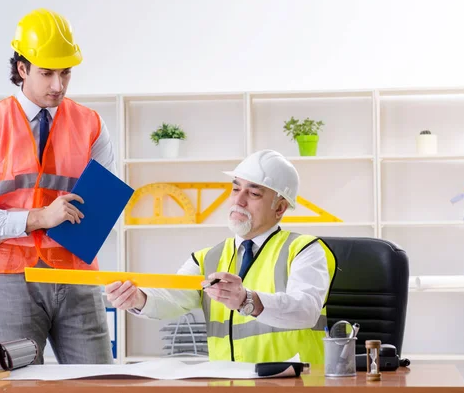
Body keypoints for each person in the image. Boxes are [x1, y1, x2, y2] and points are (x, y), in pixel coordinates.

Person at [0, 8, 115, 365]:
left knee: (99, 384)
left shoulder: (91, 125)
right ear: (22, 69)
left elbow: (104, 206)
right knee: (22, 385)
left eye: (65, 73)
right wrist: (38, 217)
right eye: (47, 73)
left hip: (77, 275)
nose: (58, 85)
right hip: (12, 279)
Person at [105, 149, 338, 364]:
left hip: (293, 384)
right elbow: (173, 298)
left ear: (279, 208)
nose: (239, 200)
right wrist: (138, 299)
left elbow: (305, 311)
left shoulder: (304, 249)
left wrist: (247, 300)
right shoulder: (206, 258)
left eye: (254, 193)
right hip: (228, 382)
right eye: (236, 189)